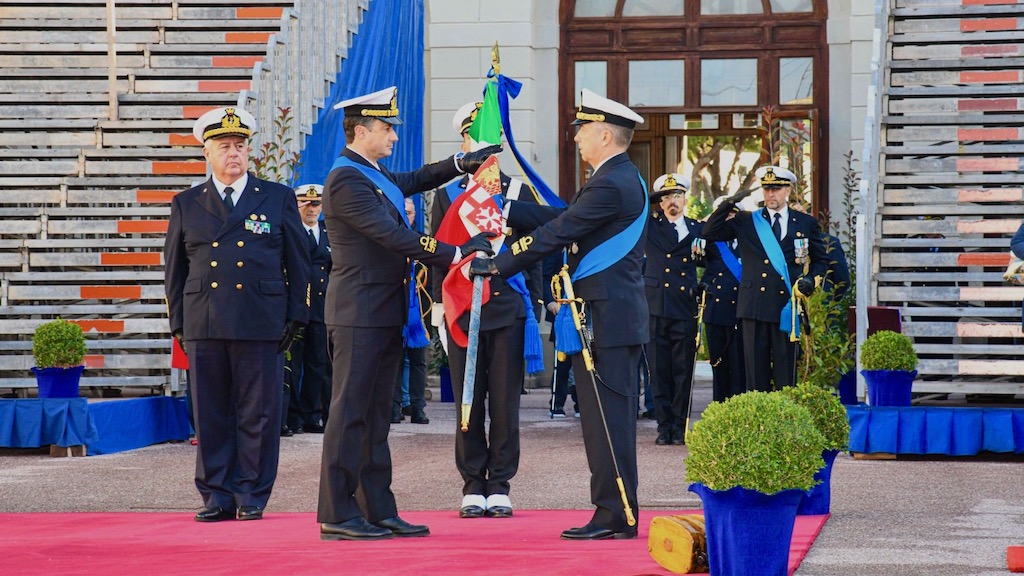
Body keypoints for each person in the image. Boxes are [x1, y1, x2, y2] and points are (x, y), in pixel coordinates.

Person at [316, 86, 499, 541]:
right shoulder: (345, 179)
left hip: (381, 312)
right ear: (361, 131)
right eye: (386, 128)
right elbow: (391, 236)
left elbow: (414, 179)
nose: (394, 135)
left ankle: (377, 509)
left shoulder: (369, 171)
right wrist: (456, 250)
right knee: (349, 415)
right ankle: (338, 513)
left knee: (378, 417)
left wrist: (462, 163)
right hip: (358, 312)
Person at [470, 89, 648, 540]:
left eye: (583, 132)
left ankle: (615, 514)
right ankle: (615, 510)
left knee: (607, 420)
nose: (577, 140)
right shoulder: (620, 177)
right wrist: (510, 209)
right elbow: (573, 217)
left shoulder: (610, 181)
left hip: (606, 319)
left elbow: (562, 230)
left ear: (606, 135)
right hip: (611, 315)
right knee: (607, 419)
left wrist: (497, 264)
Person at [164, 106, 311, 523]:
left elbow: (299, 261)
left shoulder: (276, 197)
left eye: (240, 146)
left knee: (259, 412)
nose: (234, 153)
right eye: (225, 146)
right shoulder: (187, 203)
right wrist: (179, 323)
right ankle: (216, 494)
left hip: (260, 318)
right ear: (206, 154)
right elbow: (175, 269)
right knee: (210, 412)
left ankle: (251, 492)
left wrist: (296, 316)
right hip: (205, 320)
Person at [431, 101, 545, 520]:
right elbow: (436, 254)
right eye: (474, 136)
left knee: (503, 402)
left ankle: (500, 483)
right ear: (463, 140)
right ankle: (472, 482)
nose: (483, 145)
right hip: (463, 311)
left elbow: (539, 250)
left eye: (489, 138)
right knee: (468, 402)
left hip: (507, 308)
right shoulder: (446, 196)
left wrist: (536, 300)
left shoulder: (516, 193)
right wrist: (439, 310)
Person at [702, 166, 827, 391]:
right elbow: (709, 233)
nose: (771, 194)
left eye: (776, 189)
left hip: (786, 307)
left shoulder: (804, 223)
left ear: (787, 190)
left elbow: (821, 261)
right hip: (754, 308)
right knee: (755, 376)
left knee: (785, 376)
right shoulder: (747, 221)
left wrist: (810, 281)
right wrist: (729, 203)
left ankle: (785, 424)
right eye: (767, 189)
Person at [644, 173, 703, 445]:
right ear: (660, 202)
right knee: (659, 370)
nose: (672, 202)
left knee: (683, 370)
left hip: (684, 307)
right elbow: (635, 208)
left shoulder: (697, 230)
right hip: (655, 305)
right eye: (666, 197)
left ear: (685, 198)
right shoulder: (651, 226)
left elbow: (712, 262)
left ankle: (680, 425)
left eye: (677, 196)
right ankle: (663, 425)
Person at [283, 184, 331, 435]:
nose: (312, 209)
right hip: (297, 306)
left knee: (318, 364)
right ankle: (293, 416)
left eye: (316, 204)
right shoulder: (290, 231)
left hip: (323, 308)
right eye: (306, 203)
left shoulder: (329, 233)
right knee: (294, 365)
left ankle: (313, 414)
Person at [702, 197, 746, 402]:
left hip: (741, 312)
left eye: (732, 215)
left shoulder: (748, 241)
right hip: (717, 312)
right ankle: (719, 407)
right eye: (724, 215)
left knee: (740, 367)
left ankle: (739, 407)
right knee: (719, 366)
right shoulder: (710, 242)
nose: (729, 219)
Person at [392, 197, 430, 425]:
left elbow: (433, 277)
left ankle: (418, 408)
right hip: (396, 310)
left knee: (419, 363)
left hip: (420, 316)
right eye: (404, 212)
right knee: (394, 361)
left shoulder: (424, 242)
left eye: (411, 212)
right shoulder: (391, 240)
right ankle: (394, 407)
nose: (408, 216)